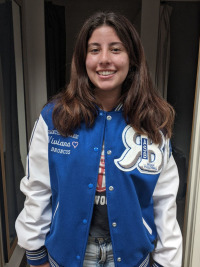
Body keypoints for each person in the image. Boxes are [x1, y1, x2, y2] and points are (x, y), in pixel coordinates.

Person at [15, 11, 182, 267]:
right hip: (68, 256)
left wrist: (166, 262)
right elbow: (38, 189)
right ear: (83, 59)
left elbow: (164, 201)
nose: (104, 60)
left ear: (132, 58)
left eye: (116, 49)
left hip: (131, 257)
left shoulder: (152, 123)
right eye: (94, 50)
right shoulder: (54, 119)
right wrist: (35, 255)